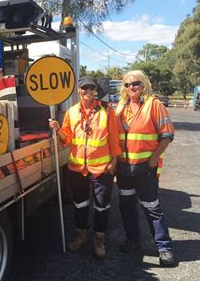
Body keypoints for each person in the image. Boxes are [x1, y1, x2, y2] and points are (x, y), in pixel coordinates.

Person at [49, 76, 121, 259]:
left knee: (102, 206)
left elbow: (114, 138)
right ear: (78, 90)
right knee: (80, 204)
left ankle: (99, 240)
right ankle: (80, 237)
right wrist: (57, 129)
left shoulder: (107, 111)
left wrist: (114, 162)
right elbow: (68, 139)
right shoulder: (72, 112)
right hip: (77, 168)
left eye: (91, 88)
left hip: (102, 168)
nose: (88, 91)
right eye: (84, 88)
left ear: (96, 90)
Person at [115, 70, 176, 267]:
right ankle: (133, 241)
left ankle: (164, 248)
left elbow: (167, 135)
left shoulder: (154, 104)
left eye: (135, 83)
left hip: (144, 169)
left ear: (144, 85)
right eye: (127, 84)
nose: (131, 87)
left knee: (152, 208)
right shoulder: (121, 107)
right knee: (127, 206)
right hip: (124, 170)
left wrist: (153, 160)